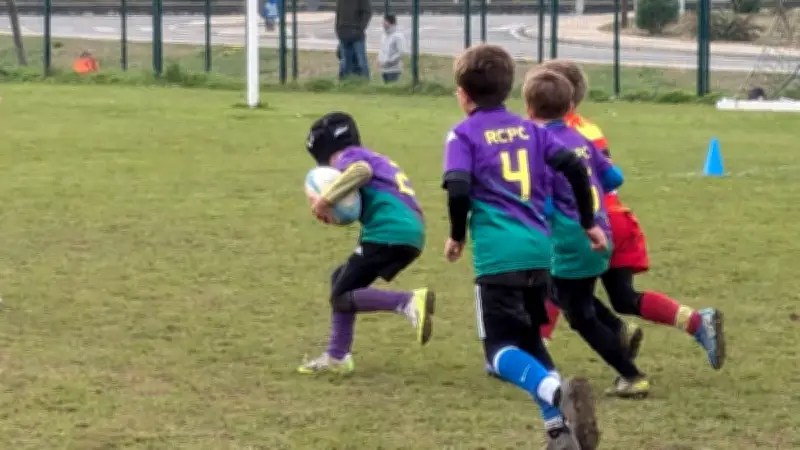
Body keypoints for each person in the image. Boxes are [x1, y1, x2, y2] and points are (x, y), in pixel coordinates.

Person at [442, 44, 604, 450]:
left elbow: (458, 187)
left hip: (499, 257)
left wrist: (457, 235)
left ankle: (557, 393)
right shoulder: (532, 130)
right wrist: (588, 222)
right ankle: (559, 433)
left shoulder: (463, 134)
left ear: (463, 94)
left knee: (499, 351)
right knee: (531, 341)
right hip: (540, 253)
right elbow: (574, 166)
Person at [533, 60, 726, 383]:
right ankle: (695, 322)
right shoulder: (587, 129)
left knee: (561, 287)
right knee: (620, 297)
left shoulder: (548, 137)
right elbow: (611, 176)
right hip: (616, 218)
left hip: (586, 222)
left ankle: (540, 347)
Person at [525, 69, 653, 401]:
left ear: (529, 109)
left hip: (570, 241)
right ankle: (619, 330)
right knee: (566, 296)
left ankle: (631, 374)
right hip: (600, 233)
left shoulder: (541, 148)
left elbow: (544, 202)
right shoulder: (579, 139)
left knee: (579, 315)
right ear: (570, 106)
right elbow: (614, 178)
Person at [298, 111, 434, 374]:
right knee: (341, 280)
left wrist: (325, 200)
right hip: (408, 230)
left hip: (390, 232)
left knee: (341, 295)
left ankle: (407, 302)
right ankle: (337, 357)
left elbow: (361, 172)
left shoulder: (351, 157)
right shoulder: (374, 156)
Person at [335, 0, 372, 79]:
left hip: (357, 35)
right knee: (345, 63)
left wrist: (360, 29)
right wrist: (338, 30)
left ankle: (365, 82)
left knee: (361, 62)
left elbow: (367, 12)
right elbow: (338, 14)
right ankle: (346, 83)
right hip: (344, 34)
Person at [378, 14, 406, 84]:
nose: (382, 24)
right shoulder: (384, 36)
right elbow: (382, 50)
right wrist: (379, 60)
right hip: (384, 69)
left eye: (384, 22)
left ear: (390, 23)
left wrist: (389, 61)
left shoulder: (398, 36)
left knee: (392, 86)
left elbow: (402, 52)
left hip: (393, 70)